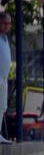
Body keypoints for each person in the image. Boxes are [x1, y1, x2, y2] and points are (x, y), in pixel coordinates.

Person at [0, 12, 12, 144]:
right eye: (5, 23)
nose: (8, 26)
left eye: (9, 23)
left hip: (3, 77)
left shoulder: (5, 38)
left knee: (1, 106)